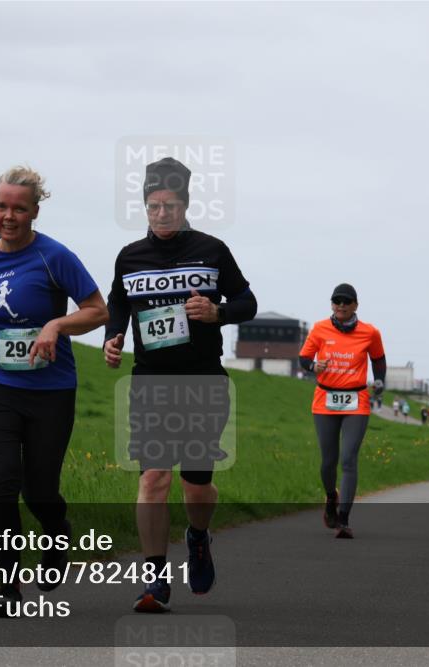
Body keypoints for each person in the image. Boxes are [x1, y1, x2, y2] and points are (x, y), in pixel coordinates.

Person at [0, 166, 109, 612]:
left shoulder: (54, 257)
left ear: (35, 211)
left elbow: (98, 311)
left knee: (39, 490)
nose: (9, 216)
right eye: (2, 206)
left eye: (19, 208)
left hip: (50, 390)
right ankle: (6, 586)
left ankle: (56, 531)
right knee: (2, 484)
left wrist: (56, 324)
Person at [104, 157, 257, 613]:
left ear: (185, 205)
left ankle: (197, 536)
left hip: (202, 380)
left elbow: (247, 300)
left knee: (195, 485)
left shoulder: (213, 249)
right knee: (153, 478)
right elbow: (118, 302)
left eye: (170, 206)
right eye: (153, 206)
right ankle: (154, 581)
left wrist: (218, 313)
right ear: (145, 207)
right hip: (151, 381)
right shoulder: (130, 256)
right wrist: (112, 336)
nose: (162, 214)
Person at [299, 283, 386, 538]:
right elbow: (303, 358)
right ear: (331, 304)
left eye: (346, 301)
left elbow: (378, 359)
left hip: (356, 399)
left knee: (348, 458)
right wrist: (314, 366)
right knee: (328, 461)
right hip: (325, 398)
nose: (341, 305)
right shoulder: (319, 328)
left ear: (355, 305)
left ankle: (344, 518)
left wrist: (379, 381)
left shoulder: (370, 332)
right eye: (336, 301)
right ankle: (330, 497)